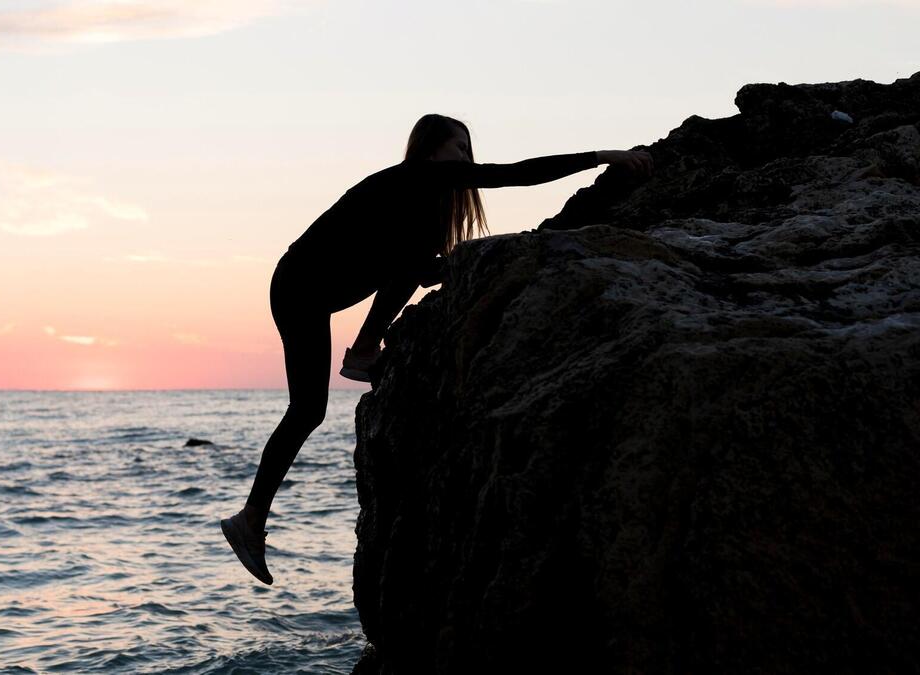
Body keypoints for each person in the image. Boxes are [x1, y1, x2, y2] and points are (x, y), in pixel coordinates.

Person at [220, 114, 654, 585]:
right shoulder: (419, 175)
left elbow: (417, 268)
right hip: (301, 285)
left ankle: (254, 512)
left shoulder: (417, 203)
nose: (466, 159)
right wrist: (602, 157)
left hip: (307, 286)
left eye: (469, 150)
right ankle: (253, 515)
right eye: (459, 148)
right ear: (431, 149)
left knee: (311, 408)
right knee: (307, 410)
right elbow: (517, 173)